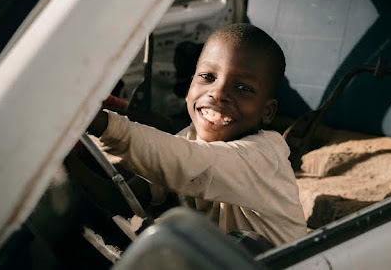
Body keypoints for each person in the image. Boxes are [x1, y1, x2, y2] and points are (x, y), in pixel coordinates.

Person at [88, 23, 307, 247]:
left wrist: (100, 123)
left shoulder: (261, 157)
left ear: (267, 111)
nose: (218, 93)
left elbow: (183, 162)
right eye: (207, 77)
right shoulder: (191, 139)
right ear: (190, 83)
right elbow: (127, 196)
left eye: (243, 88)